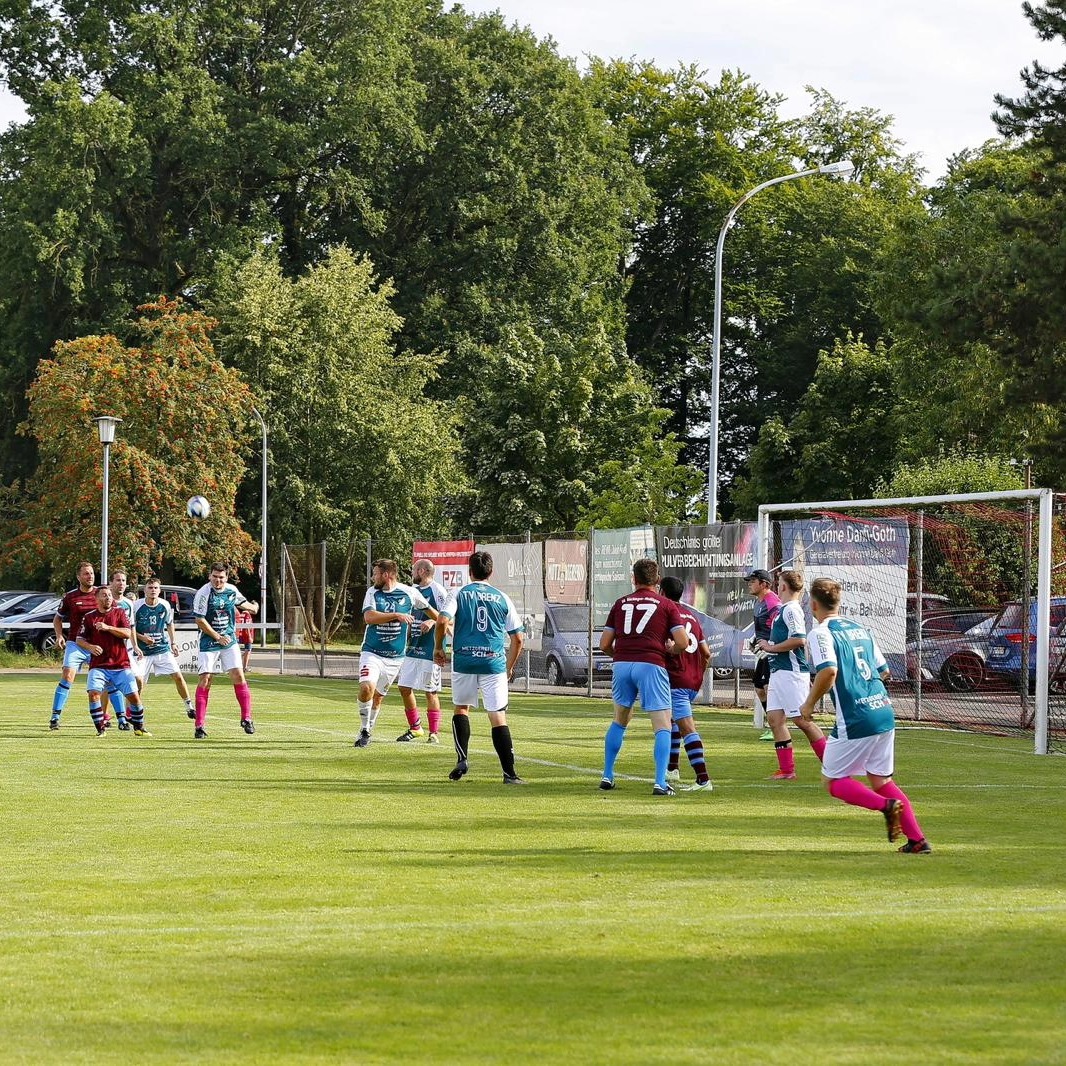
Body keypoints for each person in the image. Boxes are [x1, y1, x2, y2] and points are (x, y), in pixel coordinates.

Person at [801, 576, 932, 854]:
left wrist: (809, 705)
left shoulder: (820, 633)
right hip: (883, 711)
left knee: (834, 782)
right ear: (839, 602)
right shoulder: (861, 629)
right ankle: (918, 841)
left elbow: (829, 671)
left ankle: (887, 807)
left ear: (813, 604)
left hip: (857, 717)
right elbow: (884, 671)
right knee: (881, 780)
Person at [598, 558, 691, 796]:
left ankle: (607, 775)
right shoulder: (666, 605)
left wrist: (622, 655)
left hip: (622, 665)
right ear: (657, 580)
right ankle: (660, 782)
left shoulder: (620, 603)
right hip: (651, 664)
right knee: (662, 724)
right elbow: (682, 642)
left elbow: (604, 643)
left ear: (634, 579)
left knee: (620, 719)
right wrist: (670, 651)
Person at [433, 550, 525, 783]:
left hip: (464, 660)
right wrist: (509, 667)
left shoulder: (459, 593)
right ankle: (509, 774)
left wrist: (439, 647)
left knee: (461, 708)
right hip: (493, 662)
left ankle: (462, 759)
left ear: (470, 571)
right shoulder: (502, 597)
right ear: (491, 572)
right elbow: (518, 638)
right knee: (497, 715)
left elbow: (442, 620)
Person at [354, 559, 438, 748]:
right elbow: (369, 617)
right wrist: (396, 615)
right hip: (372, 652)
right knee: (366, 687)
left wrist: (439, 622)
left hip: (395, 658)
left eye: (375, 573)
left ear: (386, 575)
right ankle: (364, 729)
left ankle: (367, 730)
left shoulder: (410, 593)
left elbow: (435, 614)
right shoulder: (372, 592)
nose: (372, 577)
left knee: (378, 697)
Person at [757, 570, 827, 780]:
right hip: (779, 672)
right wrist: (766, 646)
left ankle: (834, 765)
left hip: (792, 673)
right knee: (775, 719)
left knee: (802, 720)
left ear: (784, 586)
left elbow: (799, 639)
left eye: (778, 583)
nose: (776, 587)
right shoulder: (783, 609)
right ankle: (787, 770)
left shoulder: (791, 610)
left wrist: (771, 647)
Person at [192, 563, 259, 739]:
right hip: (209, 641)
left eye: (221, 577)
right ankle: (199, 725)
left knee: (238, 675)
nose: (218, 580)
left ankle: (247, 718)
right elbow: (199, 620)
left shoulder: (231, 590)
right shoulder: (203, 593)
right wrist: (217, 636)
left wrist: (254, 607)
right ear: (210, 576)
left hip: (229, 641)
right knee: (206, 679)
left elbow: (242, 603)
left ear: (226, 578)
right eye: (215, 576)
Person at [659, 576, 714, 792]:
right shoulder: (692, 616)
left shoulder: (665, 614)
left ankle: (703, 779)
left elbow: (672, 645)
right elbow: (706, 653)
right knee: (673, 721)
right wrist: (697, 674)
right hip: (692, 680)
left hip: (676, 678)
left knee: (687, 727)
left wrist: (670, 651)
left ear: (662, 592)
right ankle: (672, 768)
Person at [76, 585, 151, 736]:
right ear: (96, 598)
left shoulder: (120, 612)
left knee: (134, 697)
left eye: (109, 595)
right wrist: (90, 647)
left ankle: (139, 727)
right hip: (98, 665)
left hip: (120, 664)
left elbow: (127, 633)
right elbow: (79, 639)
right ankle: (100, 730)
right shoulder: (89, 617)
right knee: (93, 694)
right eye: (104, 595)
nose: (108, 598)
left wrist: (108, 628)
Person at [396, 558, 448, 743]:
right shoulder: (412, 591)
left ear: (422, 571)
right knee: (404, 687)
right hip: (412, 647)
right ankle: (416, 728)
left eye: (413, 570)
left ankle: (434, 733)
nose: (412, 573)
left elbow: (448, 618)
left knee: (430, 691)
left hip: (430, 649)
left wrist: (432, 621)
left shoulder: (438, 591)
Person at [132, 577, 196, 717]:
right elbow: (130, 628)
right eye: (150, 588)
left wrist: (173, 643)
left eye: (155, 588)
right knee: (139, 682)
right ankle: (133, 710)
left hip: (162, 649)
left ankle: (189, 707)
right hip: (143, 652)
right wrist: (142, 638)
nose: (153, 590)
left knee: (178, 676)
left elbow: (170, 623)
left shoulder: (165, 605)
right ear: (145, 590)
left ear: (159, 590)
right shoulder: (136, 606)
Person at [49, 561, 99, 730]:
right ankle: (55, 717)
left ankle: (115, 718)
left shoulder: (101, 594)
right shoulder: (70, 597)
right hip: (75, 643)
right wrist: (59, 636)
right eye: (86, 573)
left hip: (96, 645)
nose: (90, 576)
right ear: (78, 577)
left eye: (91, 573)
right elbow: (57, 618)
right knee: (67, 676)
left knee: (107, 681)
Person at [745, 568, 781, 740]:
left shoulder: (773, 602)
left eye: (753, 581)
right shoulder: (758, 602)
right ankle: (774, 724)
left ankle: (777, 726)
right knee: (760, 688)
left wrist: (772, 646)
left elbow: (780, 625)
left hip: (772, 652)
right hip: (764, 652)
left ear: (764, 584)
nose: (749, 584)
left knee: (768, 688)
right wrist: (755, 640)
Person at [236, 604, 255, 674]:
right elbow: (247, 626)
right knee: (248, 650)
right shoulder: (247, 615)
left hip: (240, 634)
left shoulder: (240, 614)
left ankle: (239, 666)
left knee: (242, 651)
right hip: (246, 636)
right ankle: (244, 667)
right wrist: (249, 636)